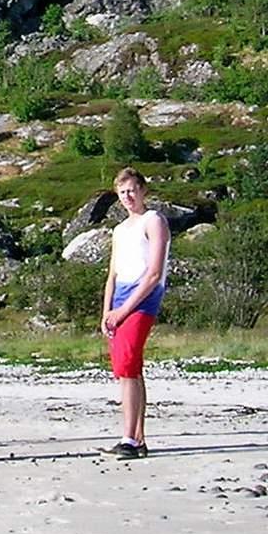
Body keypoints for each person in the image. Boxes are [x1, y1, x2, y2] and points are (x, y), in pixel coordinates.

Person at [99, 165, 170, 459]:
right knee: (127, 368)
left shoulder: (153, 220)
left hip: (143, 295)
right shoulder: (119, 230)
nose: (127, 196)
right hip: (121, 294)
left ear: (143, 191)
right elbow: (113, 273)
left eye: (132, 190)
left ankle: (128, 437)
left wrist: (124, 310)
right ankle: (137, 438)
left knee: (128, 364)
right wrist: (107, 311)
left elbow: (153, 273)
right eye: (122, 192)